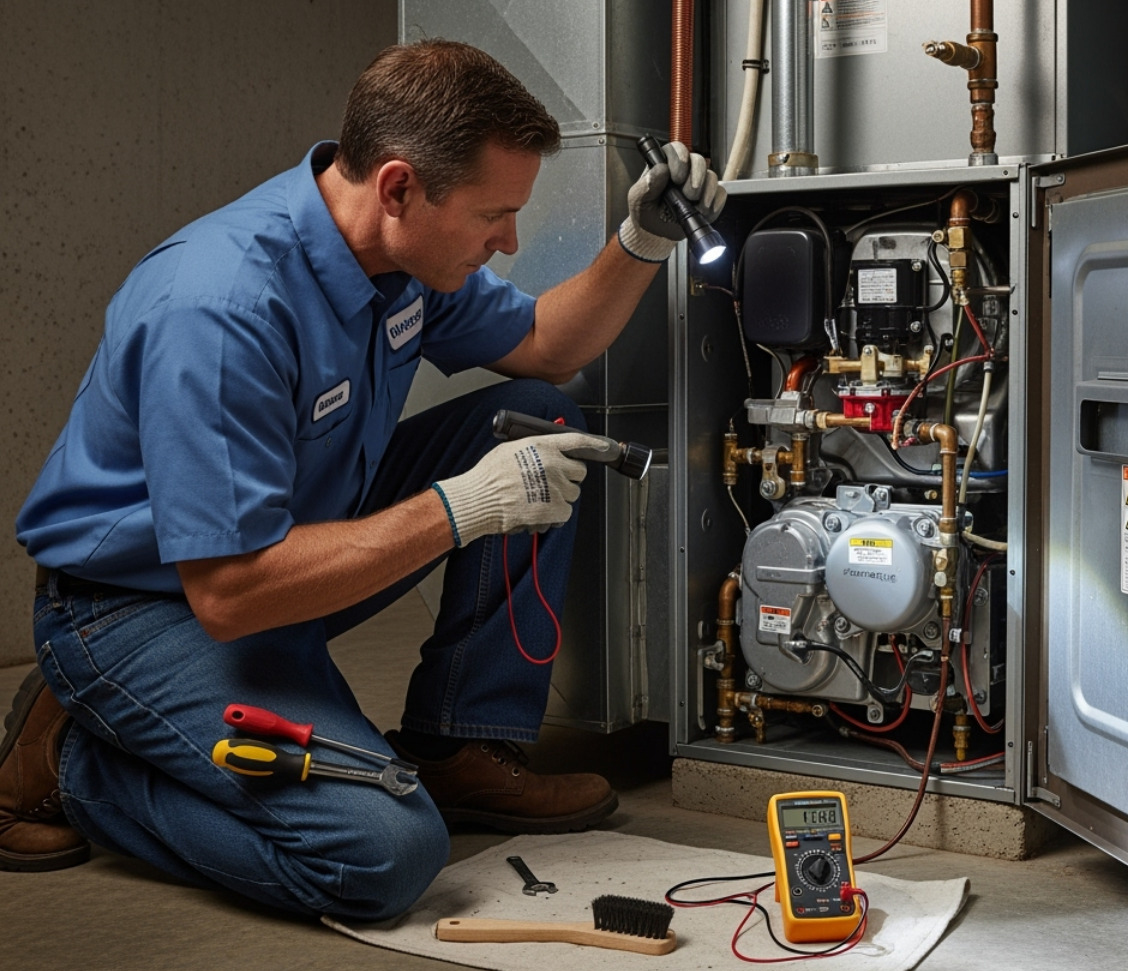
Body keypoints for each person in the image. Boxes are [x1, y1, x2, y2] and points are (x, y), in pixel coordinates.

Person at [0, 39, 723, 920]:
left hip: (289, 553)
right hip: (141, 607)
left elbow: (548, 344)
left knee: (541, 413)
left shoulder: (401, 261)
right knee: (381, 854)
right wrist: (459, 510)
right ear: (396, 188)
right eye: (492, 216)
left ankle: (462, 745)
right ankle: (77, 760)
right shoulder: (223, 306)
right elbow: (231, 592)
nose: (509, 242)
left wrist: (640, 241)